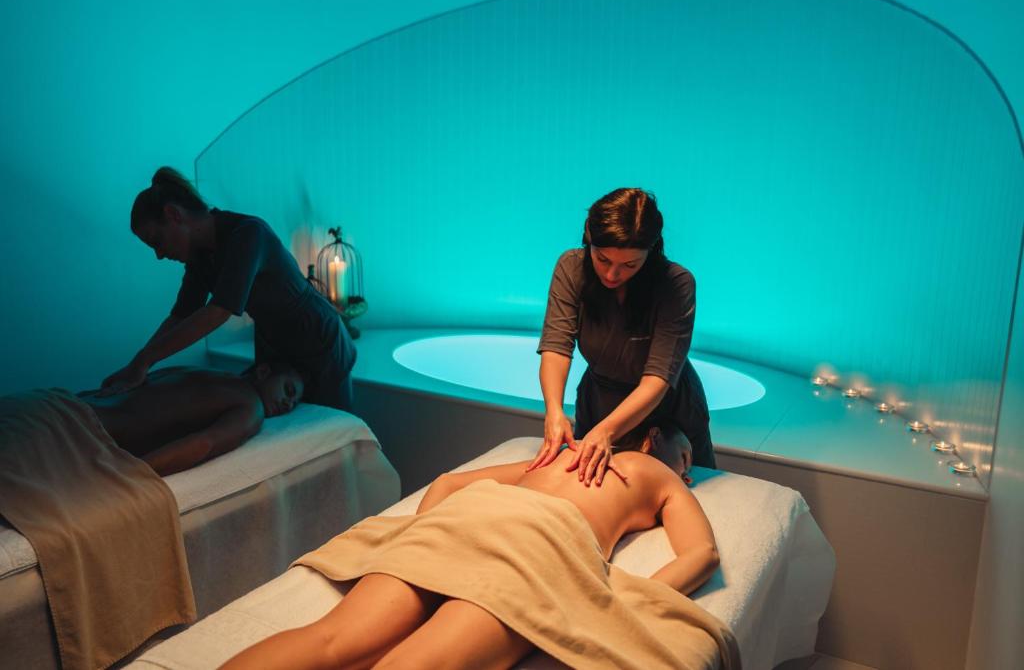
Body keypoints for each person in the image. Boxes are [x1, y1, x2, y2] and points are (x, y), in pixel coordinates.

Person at [220, 421, 738, 670]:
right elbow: (702, 554)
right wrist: (620, 600)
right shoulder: (653, 472)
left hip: (466, 518)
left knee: (330, 642)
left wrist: (419, 538)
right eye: (686, 458)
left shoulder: (562, 455)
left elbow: (447, 483)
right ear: (653, 439)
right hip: (536, 544)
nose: (689, 473)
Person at [100, 167, 356, 410]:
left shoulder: (249, 234)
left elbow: (219, 311)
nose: (159, 254)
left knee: (336, 429)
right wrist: (137, 364)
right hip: (277, 347)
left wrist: (144, 360)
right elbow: (180, 316)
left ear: (174, 214)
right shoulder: (200, 259)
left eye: (157, 241)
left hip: (317, 340)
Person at [528, 187, 714, 488]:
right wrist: (554, 411)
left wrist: (607, 432)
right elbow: (557, 346)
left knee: (676, 493)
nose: (612, 275)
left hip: (665, 412)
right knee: (589, 486)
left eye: (630, 265)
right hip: (599, 402)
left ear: (650, 252)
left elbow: (657, 378)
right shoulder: (571, 268)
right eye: (602, 259)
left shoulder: (676, 284)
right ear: (589, 236)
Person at [80, 363, 304, 476]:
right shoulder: (252, 405)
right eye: (289, 390)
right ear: (263, 371)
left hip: (74, 404)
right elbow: (203, 444)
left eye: (293, 404)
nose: (288, 404)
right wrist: (128, 475)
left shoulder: (198, 370)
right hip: (86, 433)